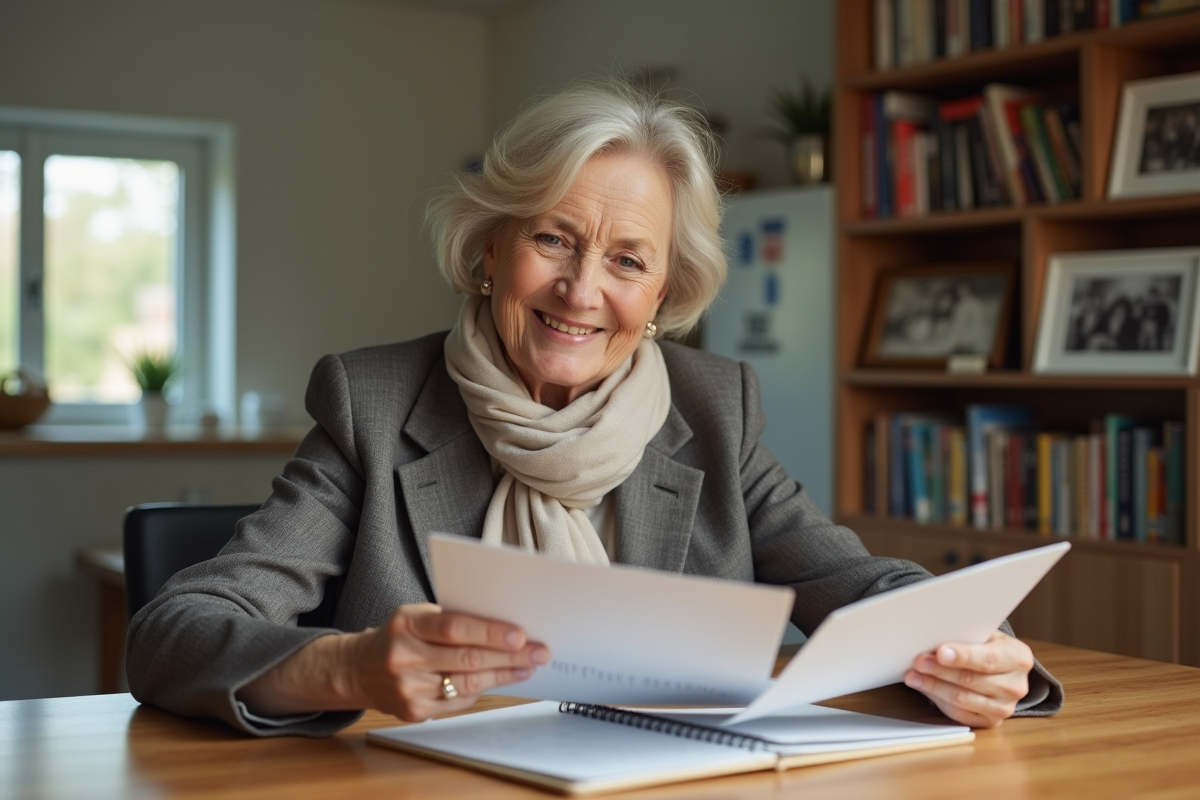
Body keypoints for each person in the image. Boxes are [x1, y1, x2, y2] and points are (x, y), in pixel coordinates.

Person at [126, 79, 1062, 738]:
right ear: (490, 248)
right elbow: (172, 634)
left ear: (664, 293)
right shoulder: (372, 404)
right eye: (552, 238)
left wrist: (984, 656)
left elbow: (864, 588)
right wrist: (349, 666)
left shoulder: (712, 409)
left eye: (627, 260)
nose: (581, 291)